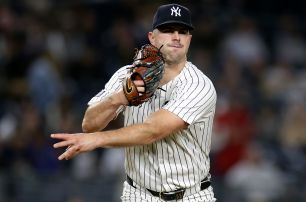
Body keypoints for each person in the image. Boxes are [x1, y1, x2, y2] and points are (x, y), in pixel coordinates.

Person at [51, 3, 217, 201]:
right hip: (137, 194)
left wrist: (98, 139)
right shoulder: (127, 74)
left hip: (190, 196)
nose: (176, 37)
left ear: (189, 39)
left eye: (183, 31)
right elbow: (90, 124)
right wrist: (120, 97)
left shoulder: (199, 85)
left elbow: (152, 131)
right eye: (167, 30)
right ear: (151, 37)